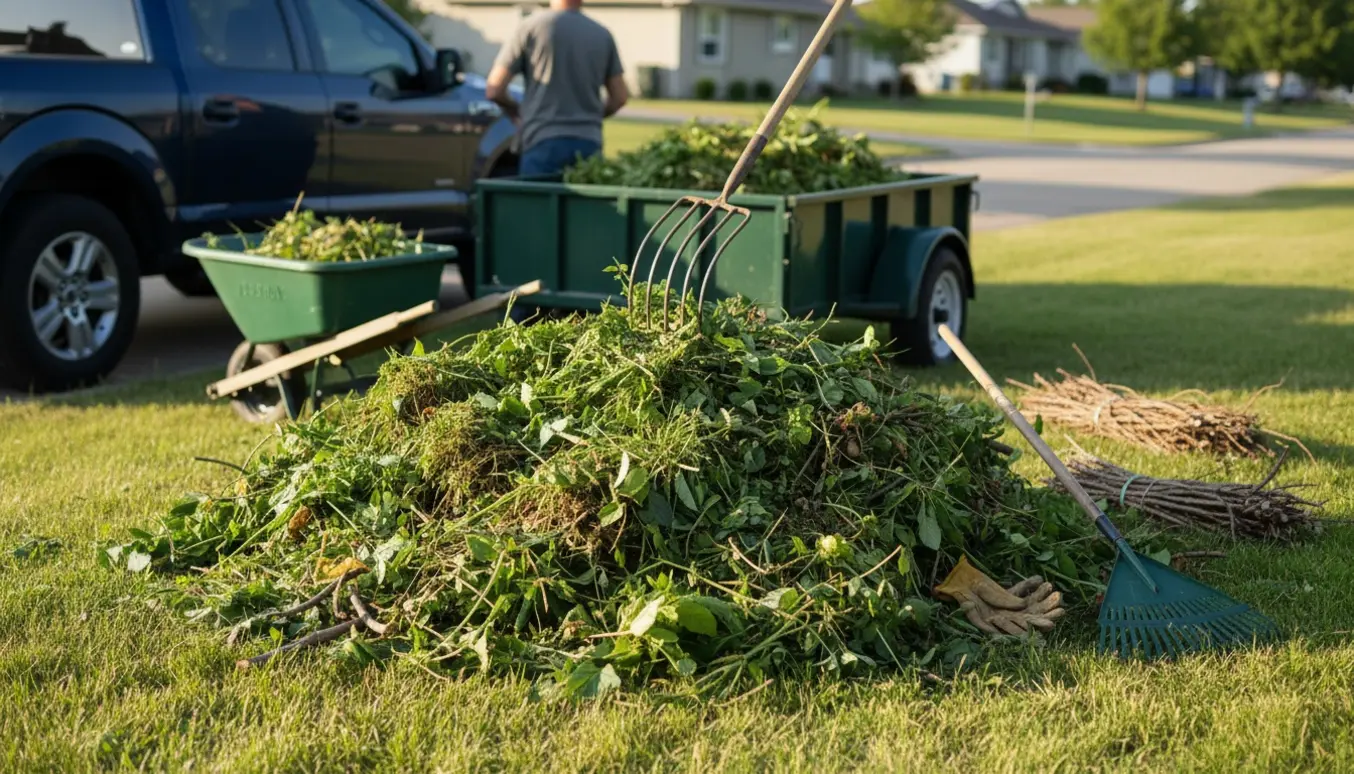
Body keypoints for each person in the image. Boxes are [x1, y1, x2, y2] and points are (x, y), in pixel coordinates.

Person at [484, 0, 629, 177]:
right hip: (588, 141)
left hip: (542, 138)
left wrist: (517, 111)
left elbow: (494, 89)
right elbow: (619, 97)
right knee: (584, 205)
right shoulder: (602, 34)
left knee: (538, 204)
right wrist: (592, 115)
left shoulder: (530, 28)